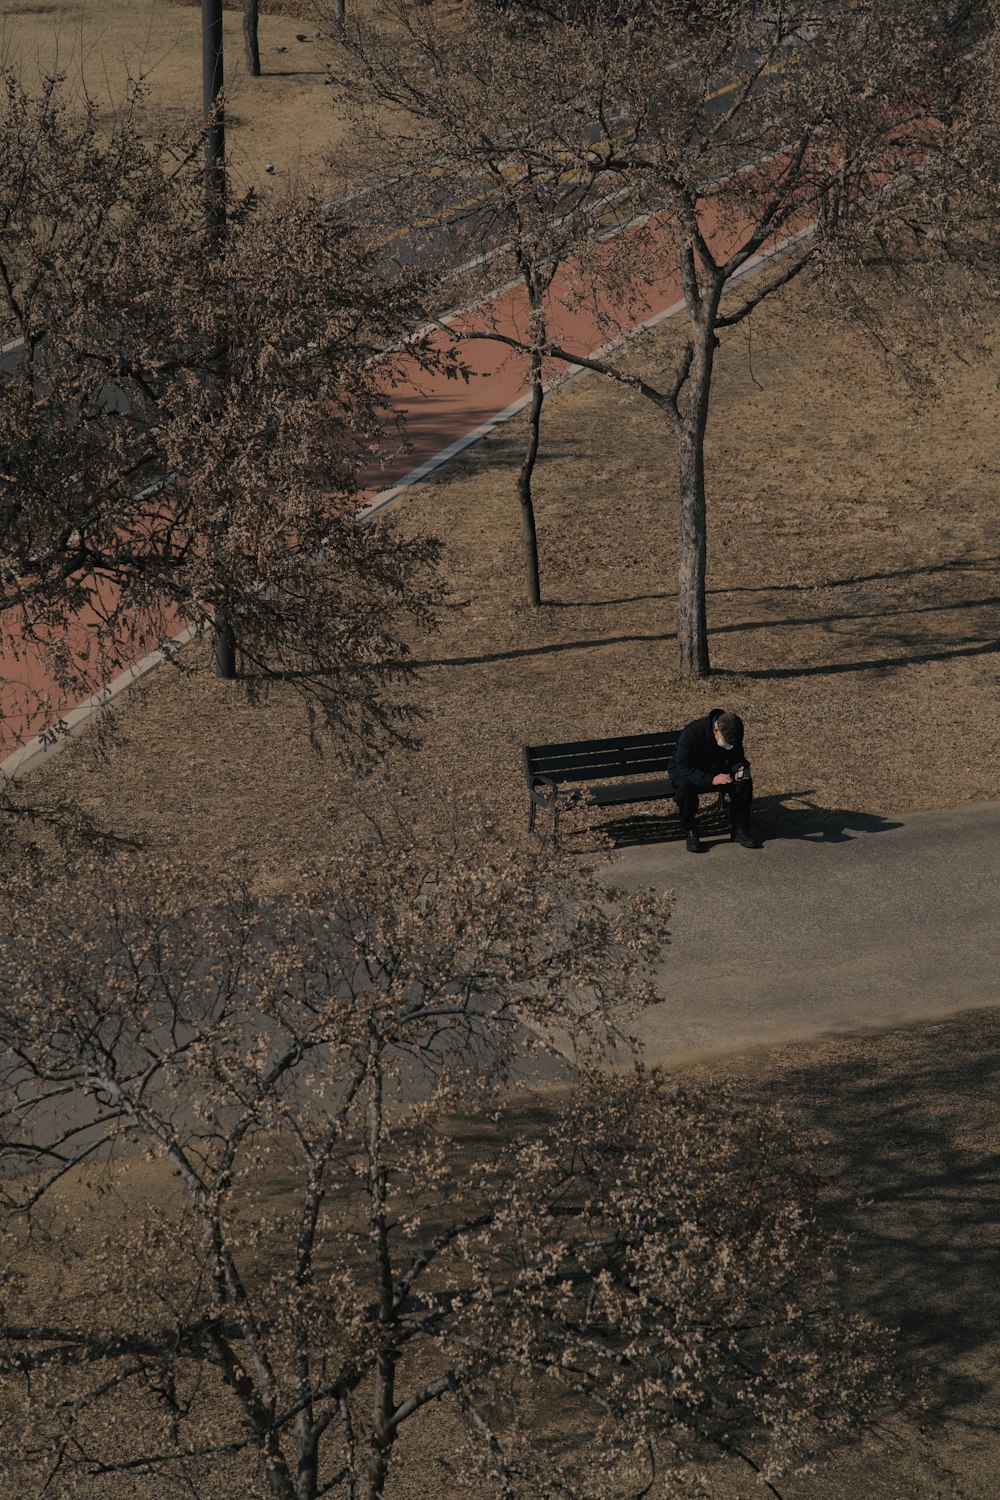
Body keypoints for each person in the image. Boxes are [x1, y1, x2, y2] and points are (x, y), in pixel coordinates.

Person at [669, 707, 760, 853]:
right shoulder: (692, 733)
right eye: (726, 742)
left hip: (715, 769)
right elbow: (683, 766)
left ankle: (740, 827)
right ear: (716, 730)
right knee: (685, 788)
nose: (729, 746)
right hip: (687, 771)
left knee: (744, 781)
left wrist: (740, 768)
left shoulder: (733, 732)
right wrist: (711, 780)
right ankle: (690, 829)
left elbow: (738, 757)